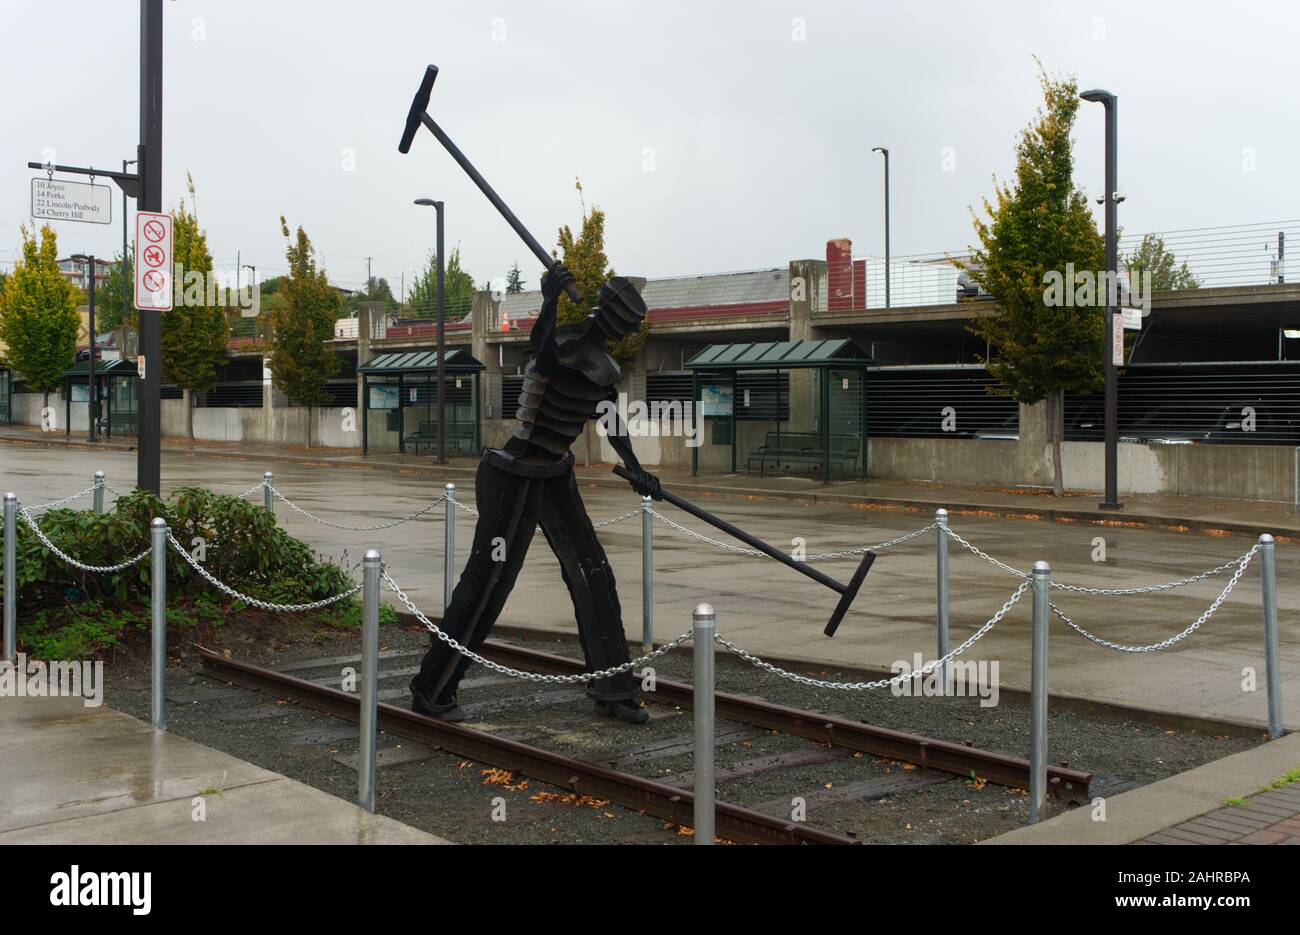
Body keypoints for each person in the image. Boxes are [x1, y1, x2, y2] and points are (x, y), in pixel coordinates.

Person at [410, 264, 661, 725]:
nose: (621, 331)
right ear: (605, 313)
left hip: (555, 476)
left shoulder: (606, 368)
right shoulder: (559, 341)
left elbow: (611, 422)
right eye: (621, 321)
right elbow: (542, 355)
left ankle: (613, 688)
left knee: (594, 576)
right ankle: (433, 688)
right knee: (488, 583)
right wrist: (549, 300)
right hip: (513, 473)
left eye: (627, 327)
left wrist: (639, 470)